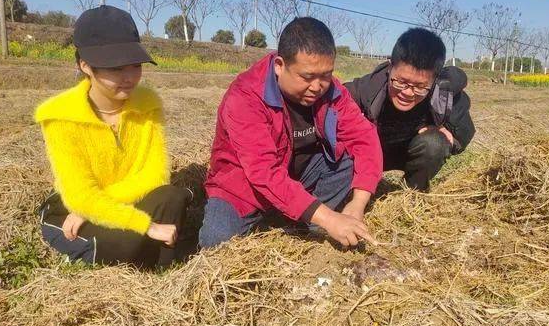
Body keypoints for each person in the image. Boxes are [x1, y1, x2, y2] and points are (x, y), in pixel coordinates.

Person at [199, 17, 383, 249]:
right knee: (215, 243)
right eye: (307, 77)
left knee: (345, 161)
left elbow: (364, 137)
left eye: (326, 75)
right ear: (279, 65)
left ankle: (306, 224)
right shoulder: (245, 97)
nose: (317, 87)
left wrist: (357, 204)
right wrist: (330, 218)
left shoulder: (332, 90)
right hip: (243, 187)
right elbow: (263, 172)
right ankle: (311, 216)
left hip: (297, 174)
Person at [35, 5, 191, 268]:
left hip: (109, 203)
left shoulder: (148, 104)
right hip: (71, 210)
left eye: (135, 65)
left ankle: (156, 265)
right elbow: (81, 196)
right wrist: (145, 225)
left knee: (172, 197)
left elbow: (154, 176)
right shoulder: (60, 116)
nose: (130, 77)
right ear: (85, 65)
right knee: (122, 241)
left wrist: (102, 207)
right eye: (116, 68)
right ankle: (142, 252)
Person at [344, 28, 475, 192]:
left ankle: (412, 192)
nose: (407, 93)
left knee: (434, 143)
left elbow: (464, 133)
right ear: (390, 67)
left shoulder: (444, 94)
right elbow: (332, 100)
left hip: (409, 152)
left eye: (420, 87)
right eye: (400, 82)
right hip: (372, 152)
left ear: (434, 80)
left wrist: (449, 135)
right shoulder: (367, 89)